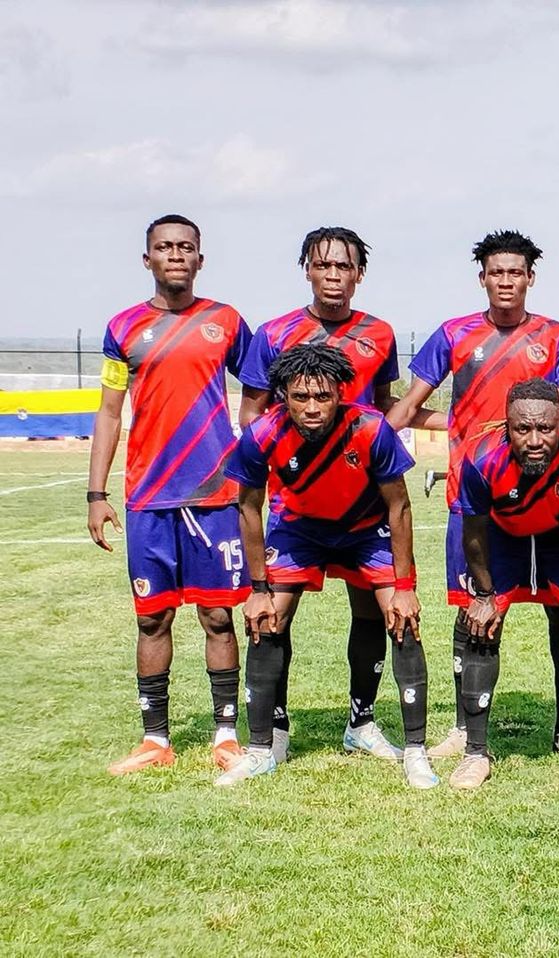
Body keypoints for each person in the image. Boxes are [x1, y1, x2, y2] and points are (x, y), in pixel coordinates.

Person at [387, 230, 559, 759]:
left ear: (530, 278)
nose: (506, 280)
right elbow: (409, 406)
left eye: (515, 272)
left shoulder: (556, 335)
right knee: (473, 609)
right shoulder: (454, 333)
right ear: (482, 278)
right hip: (474, 497)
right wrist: (451, 427)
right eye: (496, 272)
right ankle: (463, 726)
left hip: (547, 500)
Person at [218, 344, 433, 788]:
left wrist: (404, 584)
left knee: (401, 618)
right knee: (267, 619)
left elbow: (399, 506)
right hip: (299, 530)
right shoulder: (263, 434)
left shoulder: (370, 428)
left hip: (365, 528)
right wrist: (258, 589)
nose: (312, 407)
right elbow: (249, 508)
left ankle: (404, 746)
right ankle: (265, 745)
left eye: (323, 397)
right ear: (284, 396)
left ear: (340, 394)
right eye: (301, 397)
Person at [90, 214, 252, 775]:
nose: (176, 254)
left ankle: (226, 735)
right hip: (149, 498)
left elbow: (260, 391)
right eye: (165, 247)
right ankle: (155, 739)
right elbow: (110, 412)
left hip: (215, 495)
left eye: (186, 247)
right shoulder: (123, 328)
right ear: (148, 259)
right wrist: (96, 493)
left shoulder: (225, 322)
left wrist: (252, 463)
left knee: (218, 617)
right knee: (152, 619)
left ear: (200, 259)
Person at [238, 227, 402, 765]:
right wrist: (282, 464)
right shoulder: (274, 333)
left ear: (359, 274)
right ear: (307, 269)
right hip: (296, 505)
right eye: (323, 265)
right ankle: (275, 729)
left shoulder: (379, 333)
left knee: (370, 611)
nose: (333, 275)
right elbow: (252, 412)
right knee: (274, 614)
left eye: (344, 266)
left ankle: (362, 722)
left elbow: (383, 407)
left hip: (363, 507)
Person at [453, 378, 559, 792]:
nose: (535, 440)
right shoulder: (480, 457)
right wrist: (484, 595)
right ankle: (475, 752)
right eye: (522, 429)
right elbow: (474, 533)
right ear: (505, 426)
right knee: (481, 626)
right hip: (502, 541)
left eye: (545, 428)